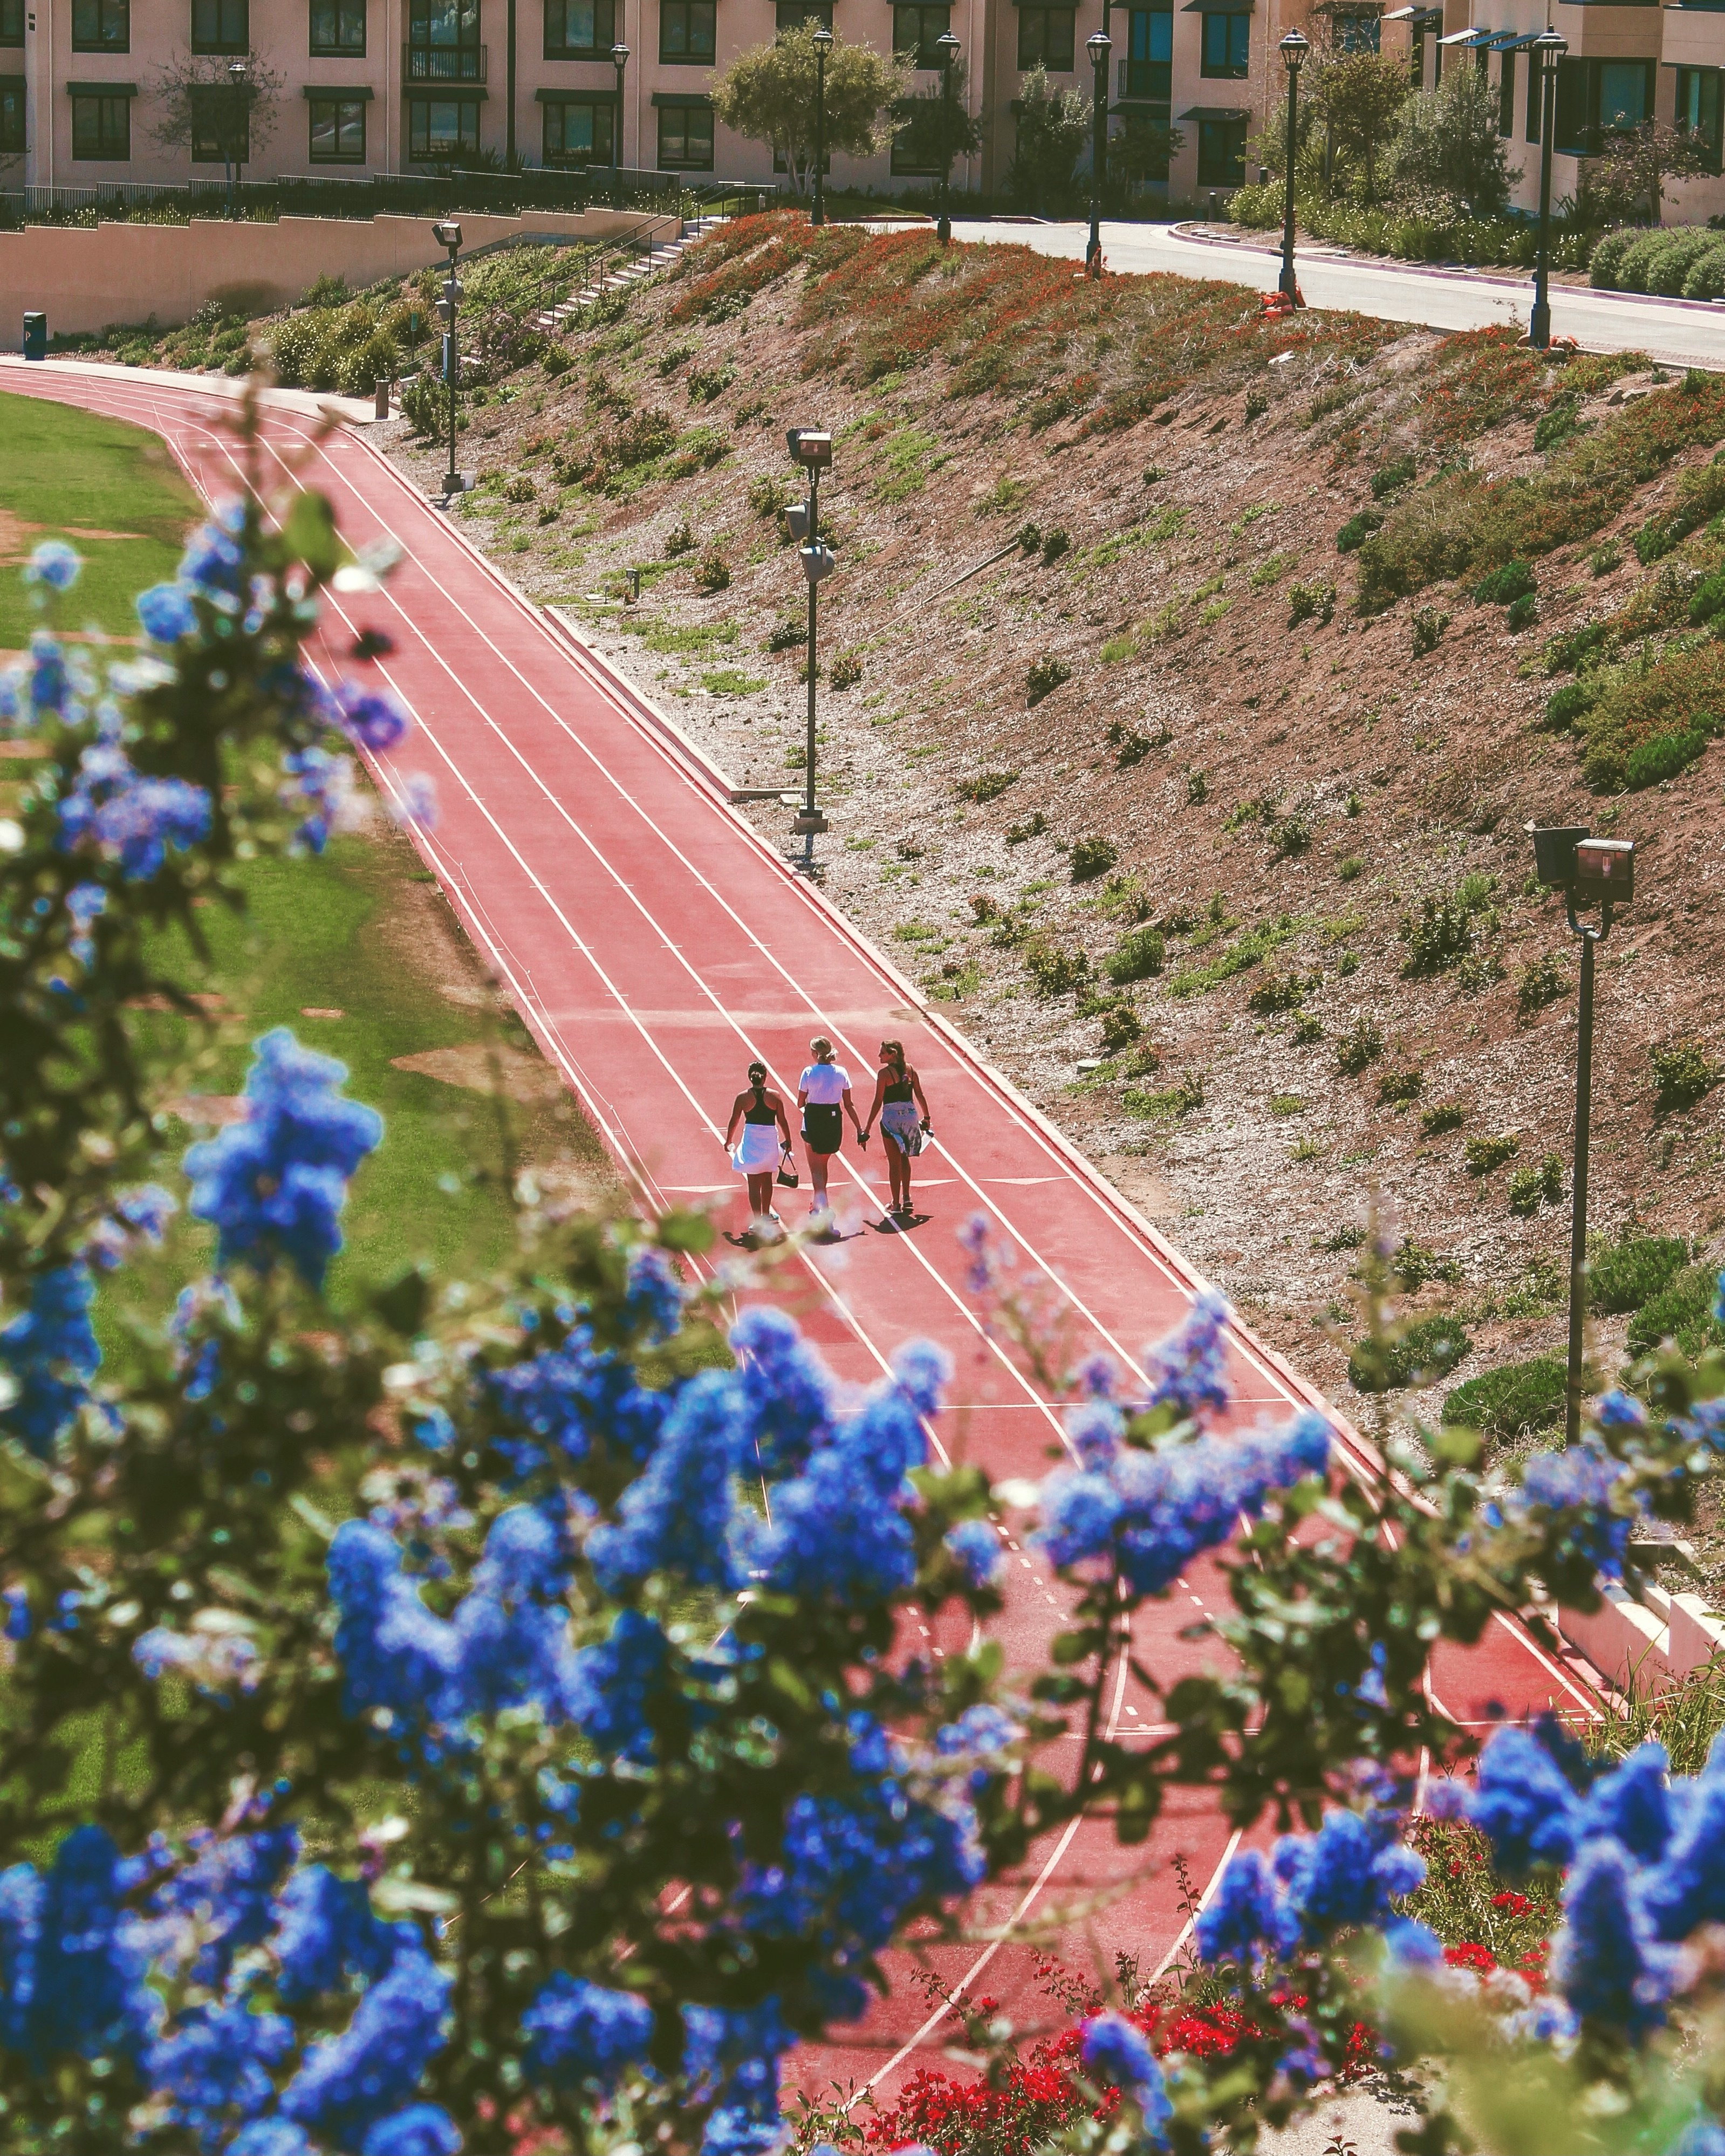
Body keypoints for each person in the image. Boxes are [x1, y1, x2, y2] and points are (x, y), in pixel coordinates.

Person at [859, 1038, 932, 1221]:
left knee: (894, 1162)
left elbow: (878, 1101)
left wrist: (866, 1128)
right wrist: (927, 1117)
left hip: (892, 1117)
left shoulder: (884, 1074)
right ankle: (907, 1198)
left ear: (893, 1054)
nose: (879, 1056)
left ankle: (896, 1203)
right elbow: (920, 1094)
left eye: (882, 1053)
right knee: (905, 1157)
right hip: (910, 1115)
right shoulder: (911, 1070)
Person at [723, 1060, 792, 1240]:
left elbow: (734, 1121)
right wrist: (789, 1139)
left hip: (752, 1140)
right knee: (767, 1177)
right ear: (765, 1076)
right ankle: (766, 1214)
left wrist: (728, 1141)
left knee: (753, 1183)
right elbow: (782, 1121)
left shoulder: (742, 1098)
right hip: (769, 1139)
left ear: (750, 1077)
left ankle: (758, 1222)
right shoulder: (775, 1096)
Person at [797, 1035, 862, 1223]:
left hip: (813, 1123)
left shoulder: (809, 1072)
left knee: (815, 1170)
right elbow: (849, 1104)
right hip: (834, 1123)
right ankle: (818, 1203)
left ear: (815, 1053)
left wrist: (810, 1112)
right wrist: (860, 1129)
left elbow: (801, 1102)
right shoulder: (841, 1072)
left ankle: (824, 1211)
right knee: (823, 1166)